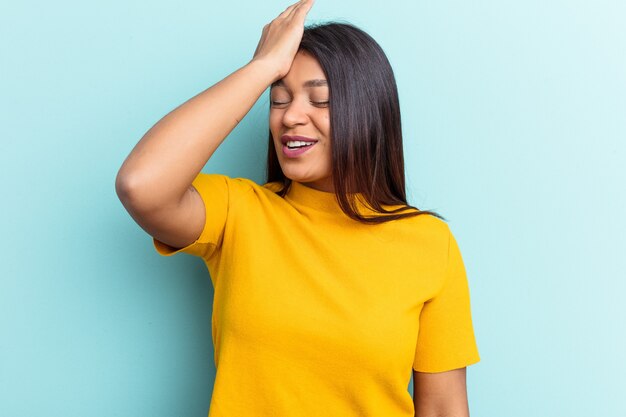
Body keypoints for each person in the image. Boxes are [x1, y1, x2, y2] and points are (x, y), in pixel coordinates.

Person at [115, 0, 480, 416]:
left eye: (318, 101)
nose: (290, 117)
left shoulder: (429, 244)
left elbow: (443, 409)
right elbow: (140, 185)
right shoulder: (239, 213)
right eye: (278, 99)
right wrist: (262, 66)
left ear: (365, 111)